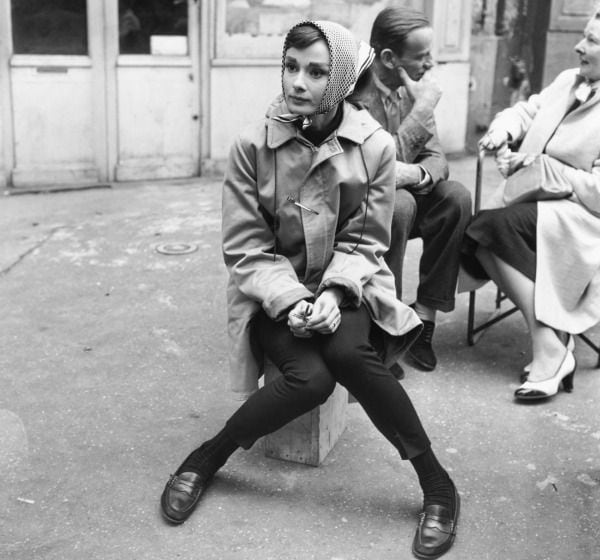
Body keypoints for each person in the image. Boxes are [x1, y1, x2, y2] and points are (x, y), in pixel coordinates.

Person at [160, 20, 460, 559]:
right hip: (274, 289)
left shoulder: (374, 146)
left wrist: (334, 293)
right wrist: (296, 301)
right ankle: (205, 459)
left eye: (316, 71)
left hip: (351, 285)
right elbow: (246, 248)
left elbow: (368, 239)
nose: (297, 82)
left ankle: (437, 485)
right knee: (310, 378)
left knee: (350, 352)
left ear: (342, 79)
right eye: (291, 66)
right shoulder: (252, 145)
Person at [463, 10, 600, 401]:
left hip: (581, 219)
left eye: (592, 40)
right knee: (481, 231)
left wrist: (546, 168)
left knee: (487, 230)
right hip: (532, 201)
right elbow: (527, 110)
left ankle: (548, 348)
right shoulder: (567, 81)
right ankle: (553, 341)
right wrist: (503, 130)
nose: (579, 46)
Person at [349, 7, 472, 375]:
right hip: (356, 208)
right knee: (399, 204)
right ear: (388, 58)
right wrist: (422, 109)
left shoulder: (411, 92)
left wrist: (414, 173)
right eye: (421, 56)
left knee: (456, 197)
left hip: (400, 195)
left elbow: (438, 161)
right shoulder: (354, 92)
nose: (430, 64)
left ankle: (423, 319)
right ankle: (386, 327)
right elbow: (378, 166)